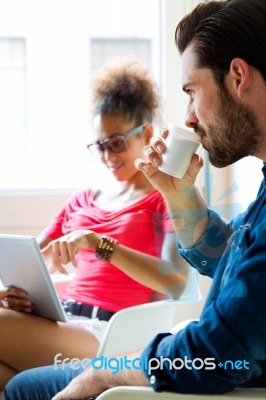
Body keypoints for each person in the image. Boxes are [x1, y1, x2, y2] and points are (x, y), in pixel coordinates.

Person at [5, 0, 266, 397]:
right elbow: (229, 257)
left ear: (237, 76)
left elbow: (214, 352)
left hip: (133, 342)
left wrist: (105, 372)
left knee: (23, 386)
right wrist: (180, 195)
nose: (190, 117)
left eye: (192, 92)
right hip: (117, 335)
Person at [0, 58, 189, 391]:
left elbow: (175, 281)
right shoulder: (83, 199)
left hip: (110, 336)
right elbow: (32, 259)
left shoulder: (164, 198)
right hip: (64, 322)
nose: (108, 156)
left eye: (117, 143)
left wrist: (96, 242)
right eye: (100, 146)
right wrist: (12, 294)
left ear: (145, 133)